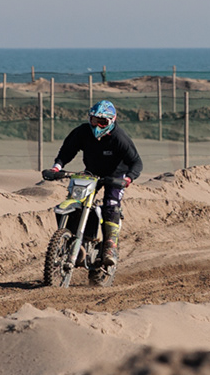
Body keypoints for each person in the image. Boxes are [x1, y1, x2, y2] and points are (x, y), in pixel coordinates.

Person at [43, 99, 144, 279]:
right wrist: (57, 167)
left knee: (111, 205)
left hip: (115, 176)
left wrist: (128, 178)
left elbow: (136, 162)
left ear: (111, 121)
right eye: (94, 120)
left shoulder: (119, 137)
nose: (97, 125)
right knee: (76, 199)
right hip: (92, 172)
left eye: (102, 122)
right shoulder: (82, 132)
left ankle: (110, 247)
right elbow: (67, 150)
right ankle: (74, 239)